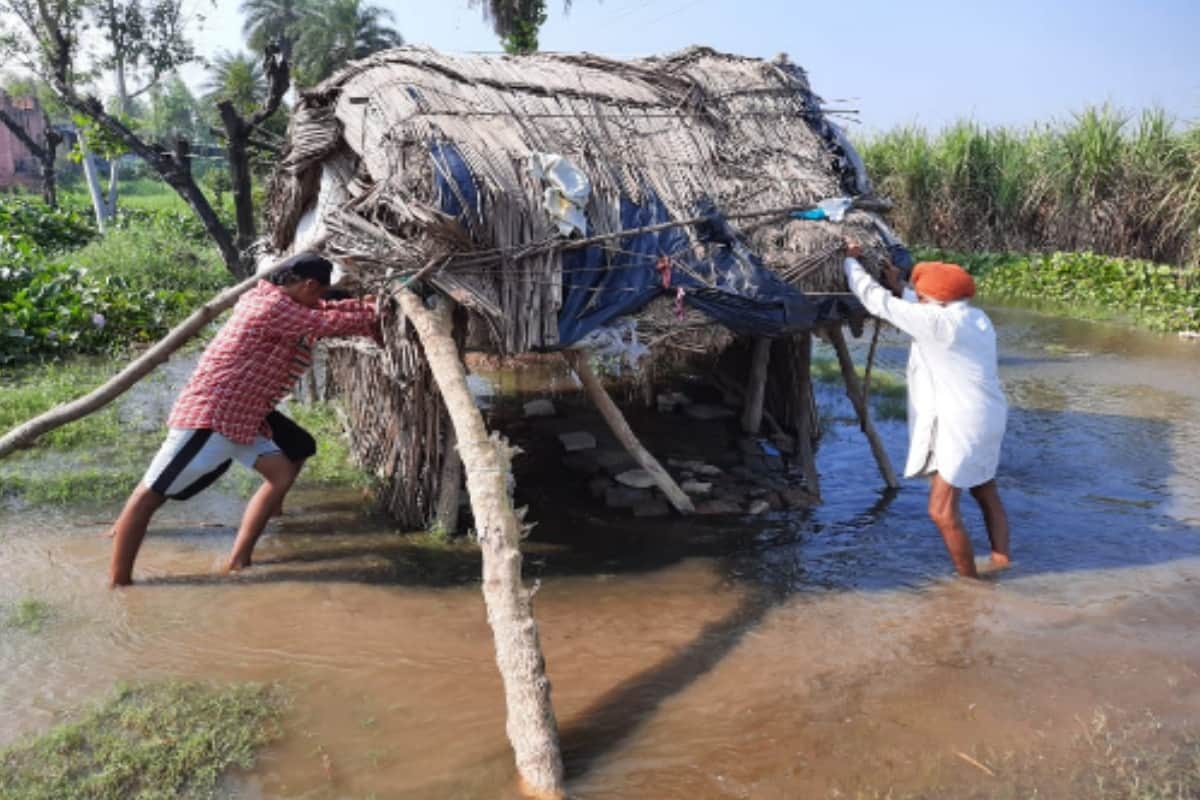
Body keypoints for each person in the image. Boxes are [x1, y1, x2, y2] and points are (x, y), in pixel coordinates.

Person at [107, 253, 381, 587]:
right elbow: (327, 322)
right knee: (149, 497)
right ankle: (119, 584)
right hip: (211, 417)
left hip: (243, 419)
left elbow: (324, 312)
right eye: (320, 293)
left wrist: (369, 306)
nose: (321, 301)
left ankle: (238, 561)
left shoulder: (275, 299)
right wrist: (379, 310)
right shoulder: (273, 308)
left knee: (281, 473)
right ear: (309, 285)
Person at [843, 240, 1011, 578]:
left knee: (941, 510)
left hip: (962, 422)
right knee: (984, 489)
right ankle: (1003, 561)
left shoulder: (937, 323)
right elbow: (924, 309)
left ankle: (969, 586)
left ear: (933, 301)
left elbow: (877, 302)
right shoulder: (976, 318)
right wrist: (904, 290)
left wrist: (851, 264)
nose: (917, 299)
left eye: (921, 296)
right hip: (989, 416)